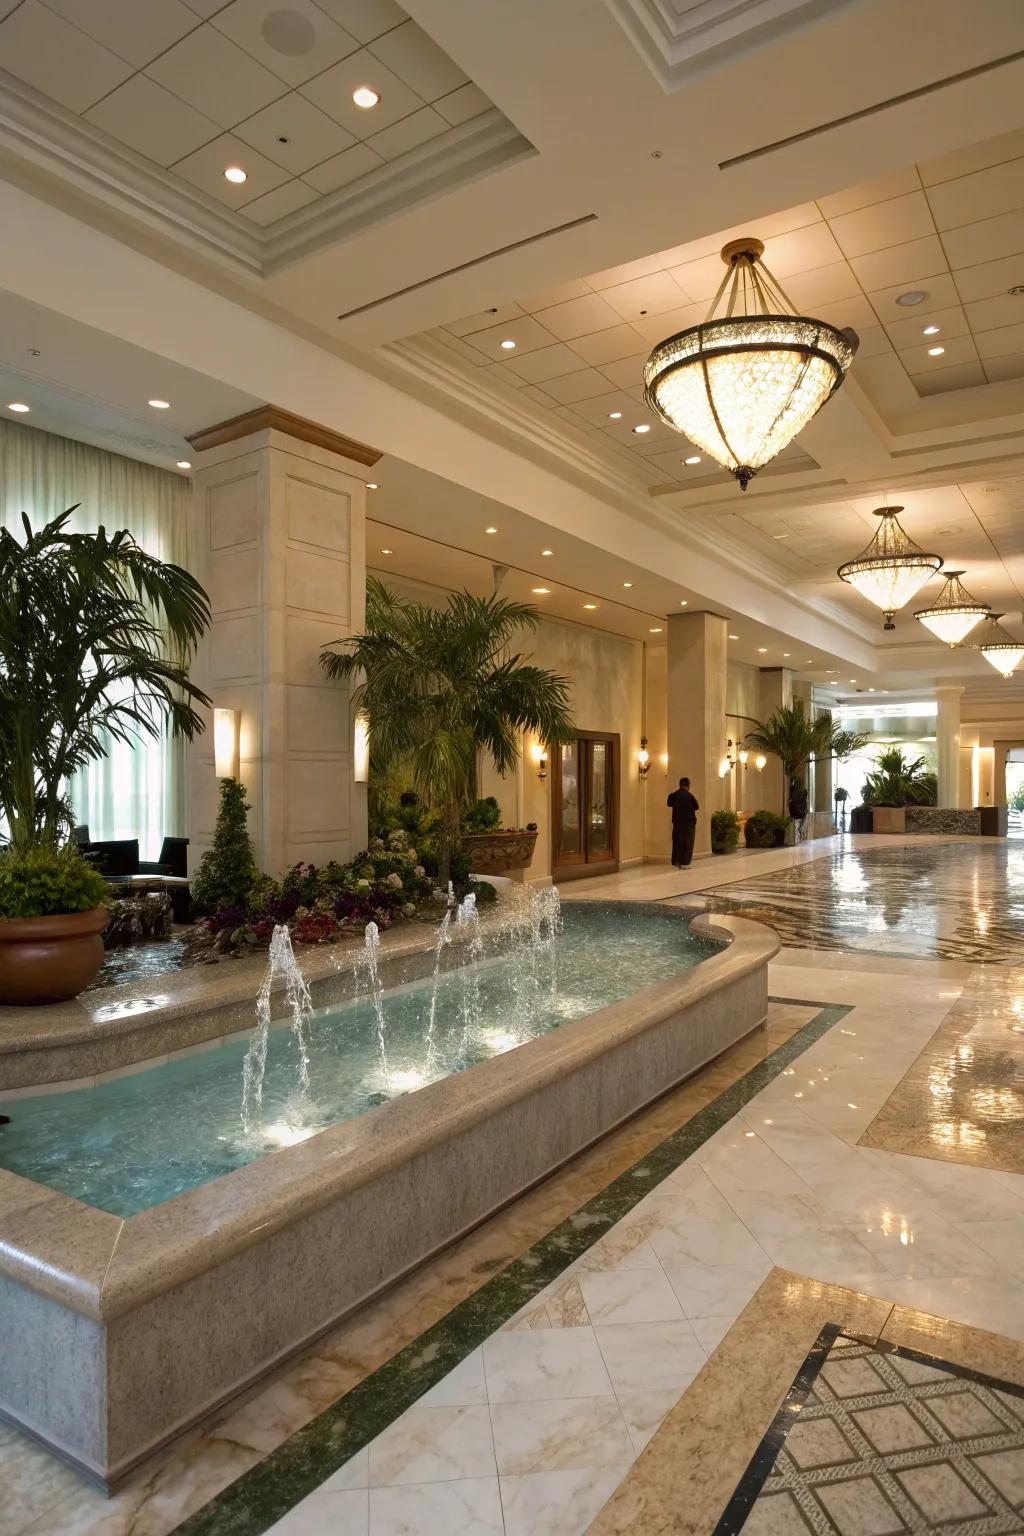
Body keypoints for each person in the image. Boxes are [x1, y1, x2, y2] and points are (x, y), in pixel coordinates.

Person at [667, 776, 699, 867]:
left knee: (676, 842)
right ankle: (684, 862)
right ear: (687, 785)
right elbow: (696, 806)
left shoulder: (673, 795)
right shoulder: (689, 796)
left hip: (677, 823)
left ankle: (675, 861)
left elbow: (669, 803)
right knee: (687, 843)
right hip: (688, 824)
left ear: (680, 785)